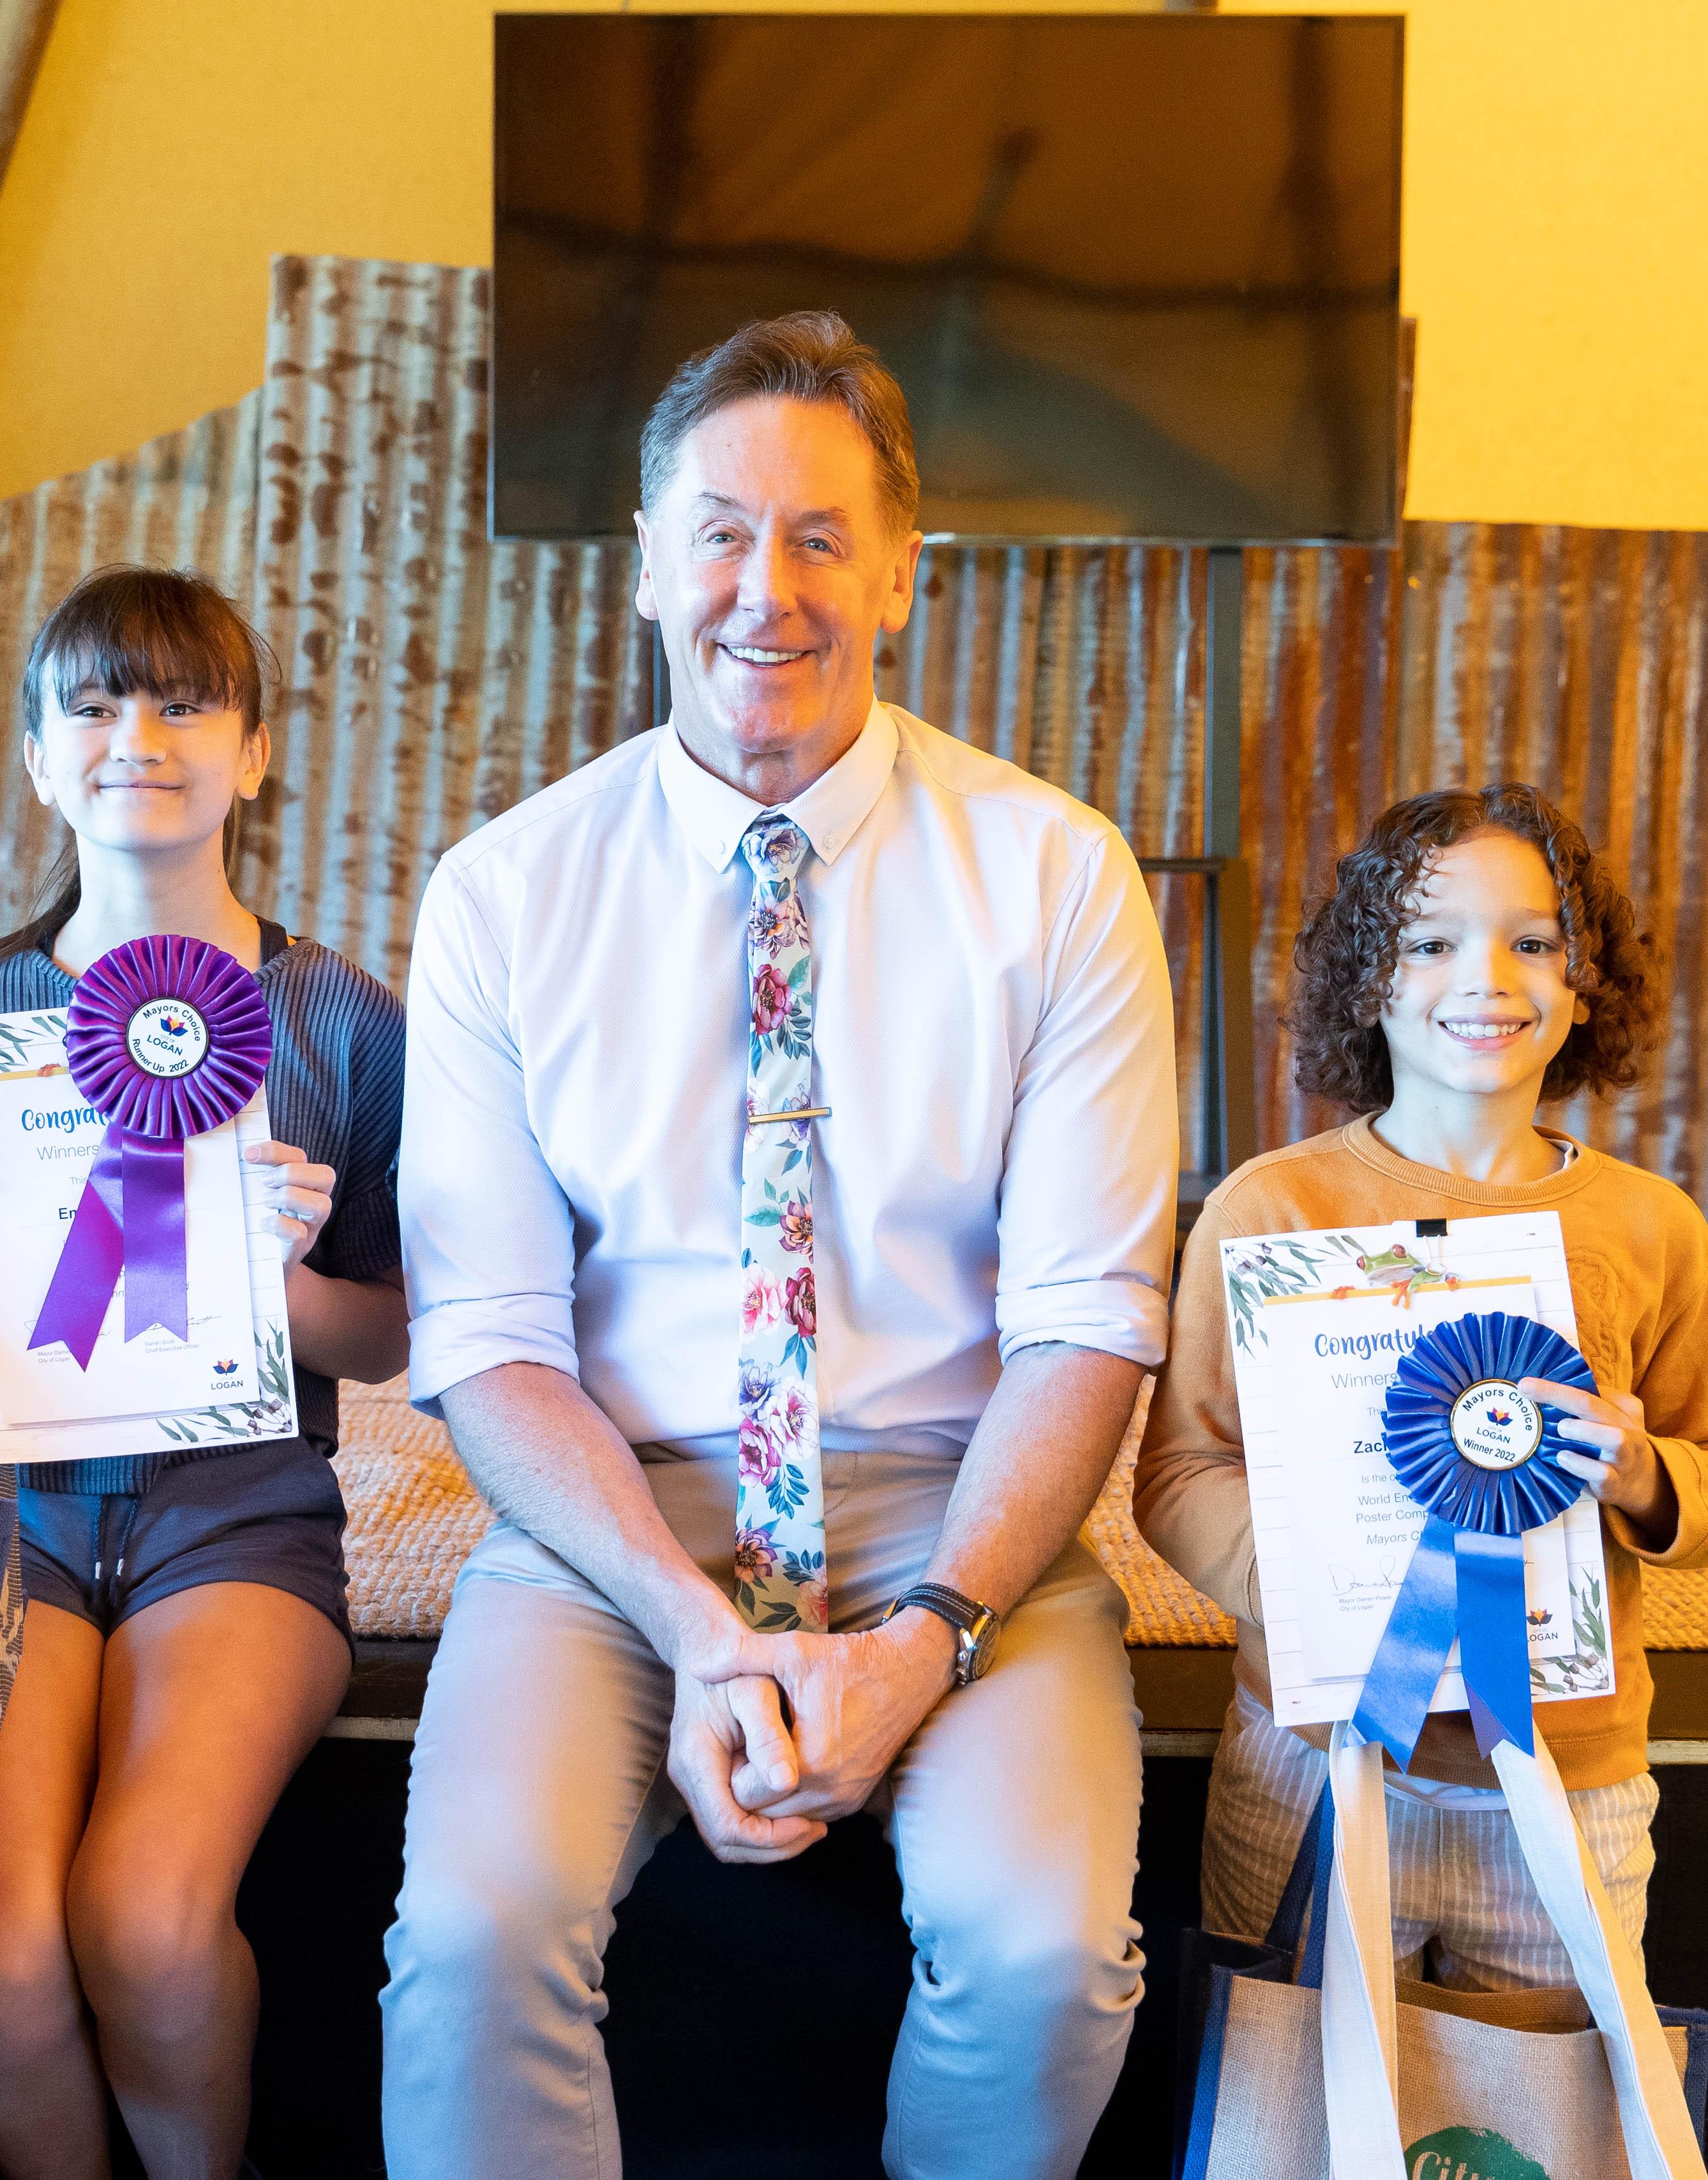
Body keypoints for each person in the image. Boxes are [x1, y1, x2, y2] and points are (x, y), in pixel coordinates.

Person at [383, 311, 1178, 2178]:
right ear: (651, 560)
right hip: (614, 1526)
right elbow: (490, 1340)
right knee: (474, 1941)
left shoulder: (1058, 877)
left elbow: (1085, 1328)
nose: (771, 585)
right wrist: (694, 1629)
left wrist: (919, 1648)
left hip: (959, 1505)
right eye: (723, 531)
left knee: (1047, 1952)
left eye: (824, 535)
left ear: (901, 570)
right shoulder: (504, 895)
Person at [0, 566, 408, 2180]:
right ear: (39, 760)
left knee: (143, 1917)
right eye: (94, 704)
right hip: (7, 1527)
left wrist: (275, 1286)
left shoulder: (338, 1019)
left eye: (184, 701)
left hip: (238, 1525)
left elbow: (405, 1332)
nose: (137, 733)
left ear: (255, 754)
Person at [1136, 784, 1708, 1988]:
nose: (1487, 980)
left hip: (1568, 1780)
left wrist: (1643, 1474)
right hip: (1310, 1762)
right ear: (1370, 980)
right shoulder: (1270, 1211)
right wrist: (1321, 1590)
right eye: (1430, 943)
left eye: (1533, 942)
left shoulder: (1652, 1228)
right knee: (1295, 2113)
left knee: (1534, 2135)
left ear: (1586, 981)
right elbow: (1179, 1472)